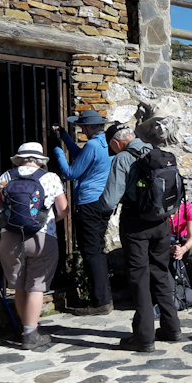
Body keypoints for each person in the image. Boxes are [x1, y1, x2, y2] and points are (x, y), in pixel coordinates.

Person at [91, 123, 180, 352]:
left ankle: (144, 337)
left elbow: (109, 201)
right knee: (160, 272)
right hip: (162, 222)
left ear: (116, 142)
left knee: (139, 277)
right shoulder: (155, 152)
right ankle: (172, 327)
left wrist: (93, 208)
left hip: (136, 223)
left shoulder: (122, 159)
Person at [0, 143, 69, 349]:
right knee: (36, 285)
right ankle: (30, 334)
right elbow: (63, 210)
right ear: (40, 160)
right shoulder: (51, 178)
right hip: (42, 237)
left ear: (19, 159)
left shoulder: (5, 177)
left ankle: (26, 327)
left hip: (10, 238)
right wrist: (44, 221)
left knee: (19, 285)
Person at [51, 110, 113, 316]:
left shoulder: (92, 145)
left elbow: (71, 173)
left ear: (88, 127)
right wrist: (64, 137)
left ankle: (101, 302)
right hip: (101, 203)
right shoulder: (104, 144)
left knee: (91, 253)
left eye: (81, 127)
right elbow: (81, 157)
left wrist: (57, 150)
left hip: (88, 204)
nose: (82, 131)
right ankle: (105, 298)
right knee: (97, 251)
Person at [170, 200, 192, 298]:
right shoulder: (160, 209)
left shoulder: (188, 208)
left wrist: (183, 249)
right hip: (164, 241)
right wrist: (169, 248)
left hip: (183, 239)